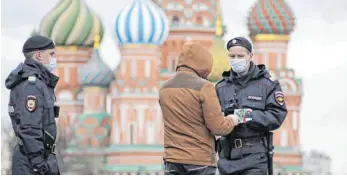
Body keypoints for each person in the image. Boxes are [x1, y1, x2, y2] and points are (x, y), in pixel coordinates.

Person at [159, 42, 242, 175]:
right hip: (199, 160)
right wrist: (233, 119)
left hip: (172, 160)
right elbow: (218, 127)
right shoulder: (205, 87)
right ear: (204, 63)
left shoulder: (165, 88)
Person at [215, 37, 288, 175]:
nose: (236, 59)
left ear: (250, 56)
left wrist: (248, 116)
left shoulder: (267, 84)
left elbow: (277, 115)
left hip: (254, 159)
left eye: (240, 56)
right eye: (232, 56)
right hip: (227, 159)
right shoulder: (221, 87)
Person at [5, 35, 60, 175]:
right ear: (39, 55)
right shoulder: (32, 86)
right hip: (32, 161)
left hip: (38, 157)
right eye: (51, 54)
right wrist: (39, 164)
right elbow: (29, 127)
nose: (54, 59)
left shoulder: (40, 83)